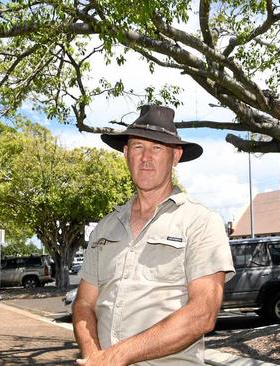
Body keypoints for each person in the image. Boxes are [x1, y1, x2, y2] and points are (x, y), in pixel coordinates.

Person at [73, 105, 235, 366]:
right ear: (126, 153)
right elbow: (84, 303)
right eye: (138, 147)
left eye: (157, 148)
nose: (146, 157)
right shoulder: (105, 227)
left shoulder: (201, 222)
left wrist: (117, 356)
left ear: (175, 156)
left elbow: (202, 313)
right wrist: (94, 356)